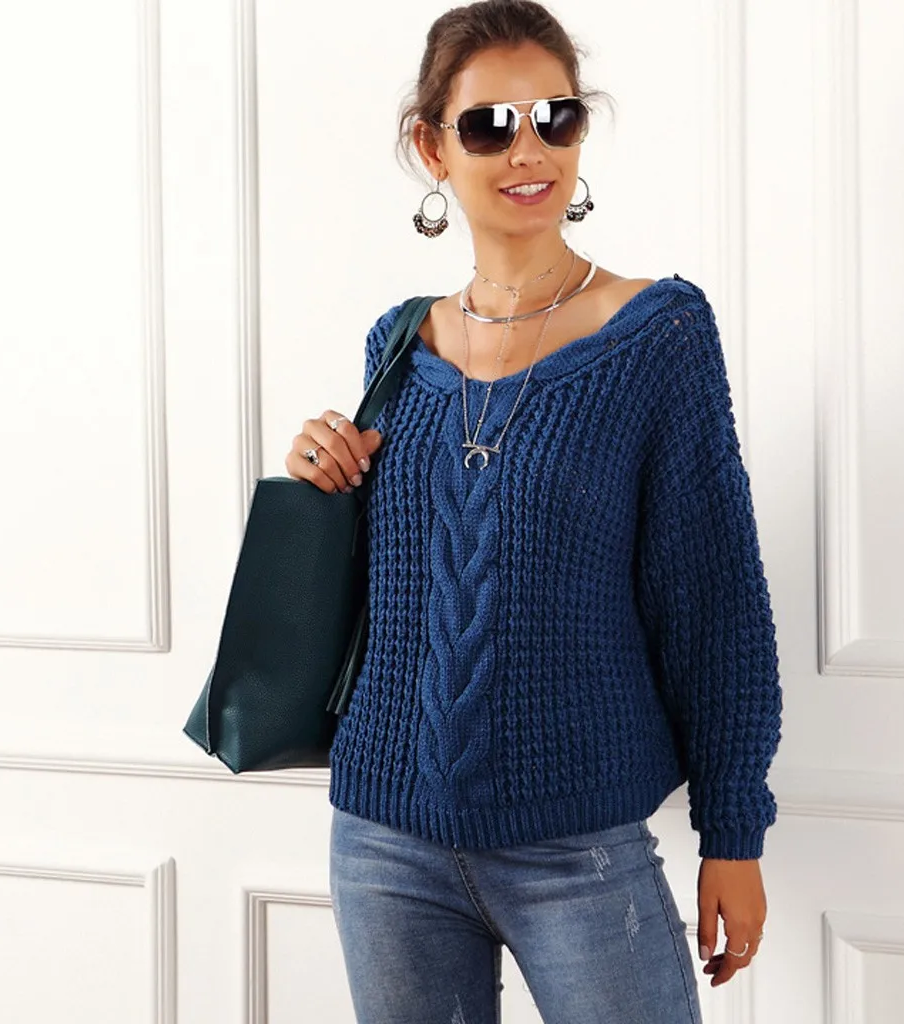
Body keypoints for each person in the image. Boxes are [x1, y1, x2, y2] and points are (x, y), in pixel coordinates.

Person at [284, 2, 782, 1021]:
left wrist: (733, 833)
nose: (529, 149)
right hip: (384, 842)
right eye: (488, 124)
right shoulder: (397, 343)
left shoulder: (659, 334)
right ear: (432, 147)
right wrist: (322, 473)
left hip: (580, 849)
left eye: (556, 117)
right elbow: (393, 586)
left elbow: (714, 598)